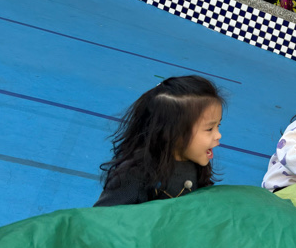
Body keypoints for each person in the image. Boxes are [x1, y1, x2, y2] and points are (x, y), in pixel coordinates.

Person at [96, 76, 223, 206]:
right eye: (209, 129)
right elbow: (104, 215)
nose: (218, 135)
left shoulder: (196, 165)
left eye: (218, 126)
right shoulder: (136, 175)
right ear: (174, 132)